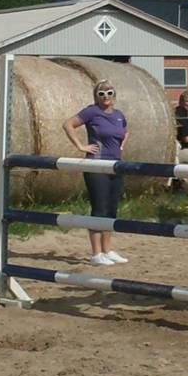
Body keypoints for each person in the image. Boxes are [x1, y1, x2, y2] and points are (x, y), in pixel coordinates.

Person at [62, 80, 129, 266]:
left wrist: (121, 146)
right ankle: (96, 253)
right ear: (96, 96)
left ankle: (108, 250)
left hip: (116, 166)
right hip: (96, 165)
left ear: (114, 95)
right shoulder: (91, 112)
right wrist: (80, 146)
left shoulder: (119, 115)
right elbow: (68, 124)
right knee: (99, 209)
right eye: (101, 93)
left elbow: (125, 132)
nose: (105, 96)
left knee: (111, 209)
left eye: (109, 92)